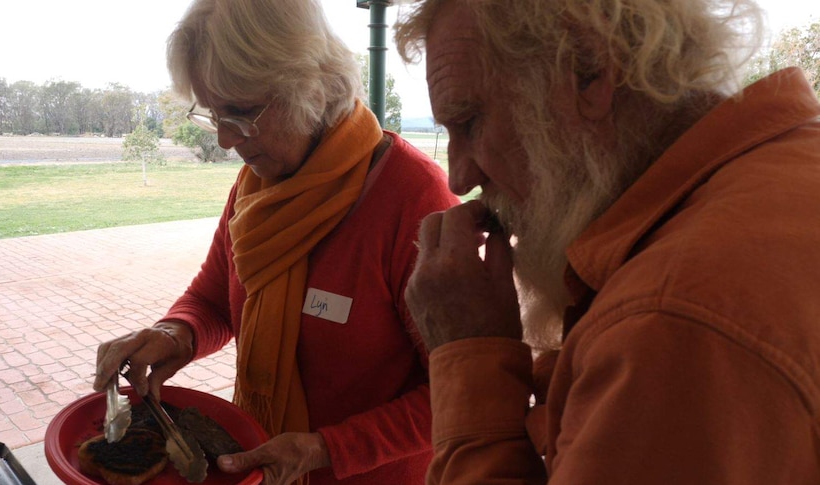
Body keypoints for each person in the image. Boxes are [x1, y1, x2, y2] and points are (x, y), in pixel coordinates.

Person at [394, 0, 820, 483]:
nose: (458, 177)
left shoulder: (669, 319)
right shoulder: (786, 167)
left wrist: (469, 359)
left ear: (589, 71)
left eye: (469, 123)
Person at [93, 1, 459, 484]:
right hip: (264, 463)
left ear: (310, 86)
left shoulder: (412, 198)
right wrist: (174, 333)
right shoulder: (257, 185)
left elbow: (461, 388)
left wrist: (323, 448)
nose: (225, 140)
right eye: (213, 114)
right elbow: (213, 298)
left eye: (241, 112)